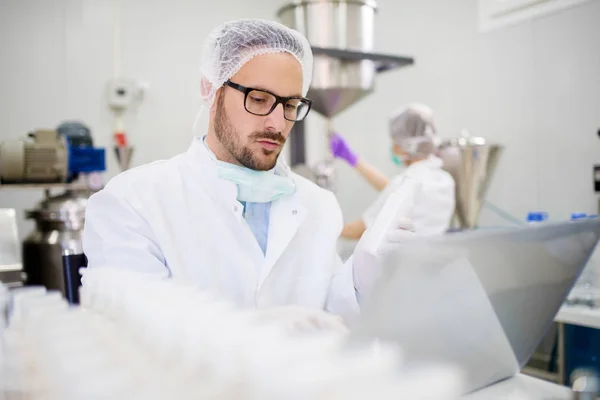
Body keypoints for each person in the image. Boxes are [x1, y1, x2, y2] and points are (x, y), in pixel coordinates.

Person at [82, 19, 414, 327]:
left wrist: (359, 281)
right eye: (258, 99)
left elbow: (330, 323)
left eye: (289, 105)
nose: (277, 124)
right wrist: (261, 331)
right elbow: (132, 335)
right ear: (211, 89)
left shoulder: (318, 205)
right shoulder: (133, 202)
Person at [331, 103, 455, 240]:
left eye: (394, 142)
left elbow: (356, 231)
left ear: (404, 146)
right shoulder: (444, 180)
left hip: (405, 260)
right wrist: (353, 160)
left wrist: (324, 221)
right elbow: (393, 190)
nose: (393, 147)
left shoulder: (404, 184)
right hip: (431, 259)